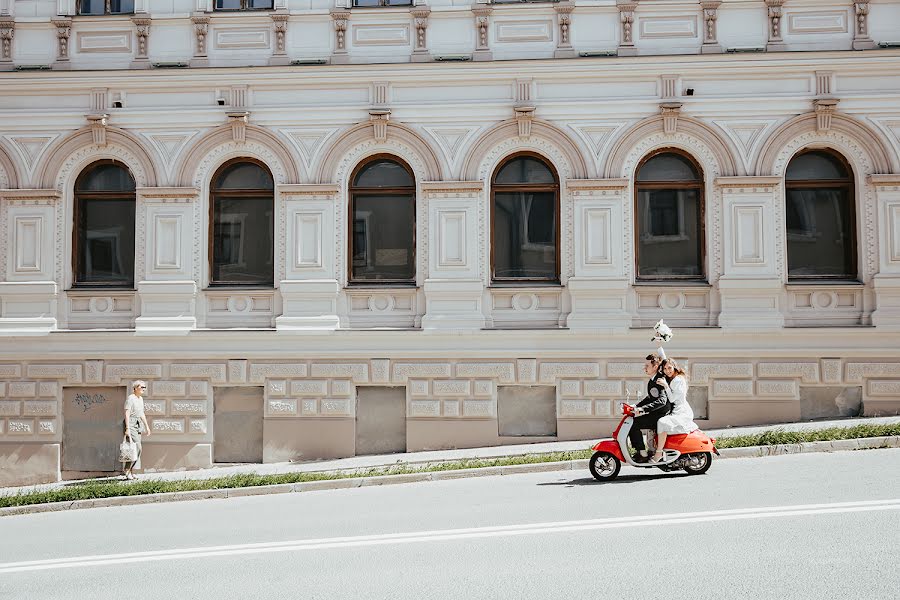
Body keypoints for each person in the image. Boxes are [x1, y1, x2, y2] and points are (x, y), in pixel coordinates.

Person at [651, 358, 697, 463]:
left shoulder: (678, 380)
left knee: (662, 422)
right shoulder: (674, 378)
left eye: (670, 368)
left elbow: (672, 399)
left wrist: (666, 385)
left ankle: (659, 452)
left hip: (682, 412)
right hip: (677, 410)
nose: (668, 371)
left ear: (674, 367)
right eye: (665, 369)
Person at [630, 351, 673, 462]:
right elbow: (650, 397)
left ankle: (642, 453)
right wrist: (636, 406)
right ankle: (642, 451)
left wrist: (642, 409)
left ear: (655, 366)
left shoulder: (659, 380)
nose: (645, 368)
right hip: (656, 413)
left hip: (661, 415)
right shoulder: (652, 380)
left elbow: (662, 401)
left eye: (647, 366)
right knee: (632, 421)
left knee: (634, 423)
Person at [123, 380, 151, 480]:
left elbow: (142, 413)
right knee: (136, 447)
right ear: (135, 388)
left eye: (144, 387)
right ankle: (127, 469)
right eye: (141, 387)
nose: (144, 389)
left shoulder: (140, 399)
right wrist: (127, 428)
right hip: (130, 423)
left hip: (138, 424)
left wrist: (147, 426)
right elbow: (127, 413)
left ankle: (130, 471)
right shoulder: (131, 398)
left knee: (137, 449)